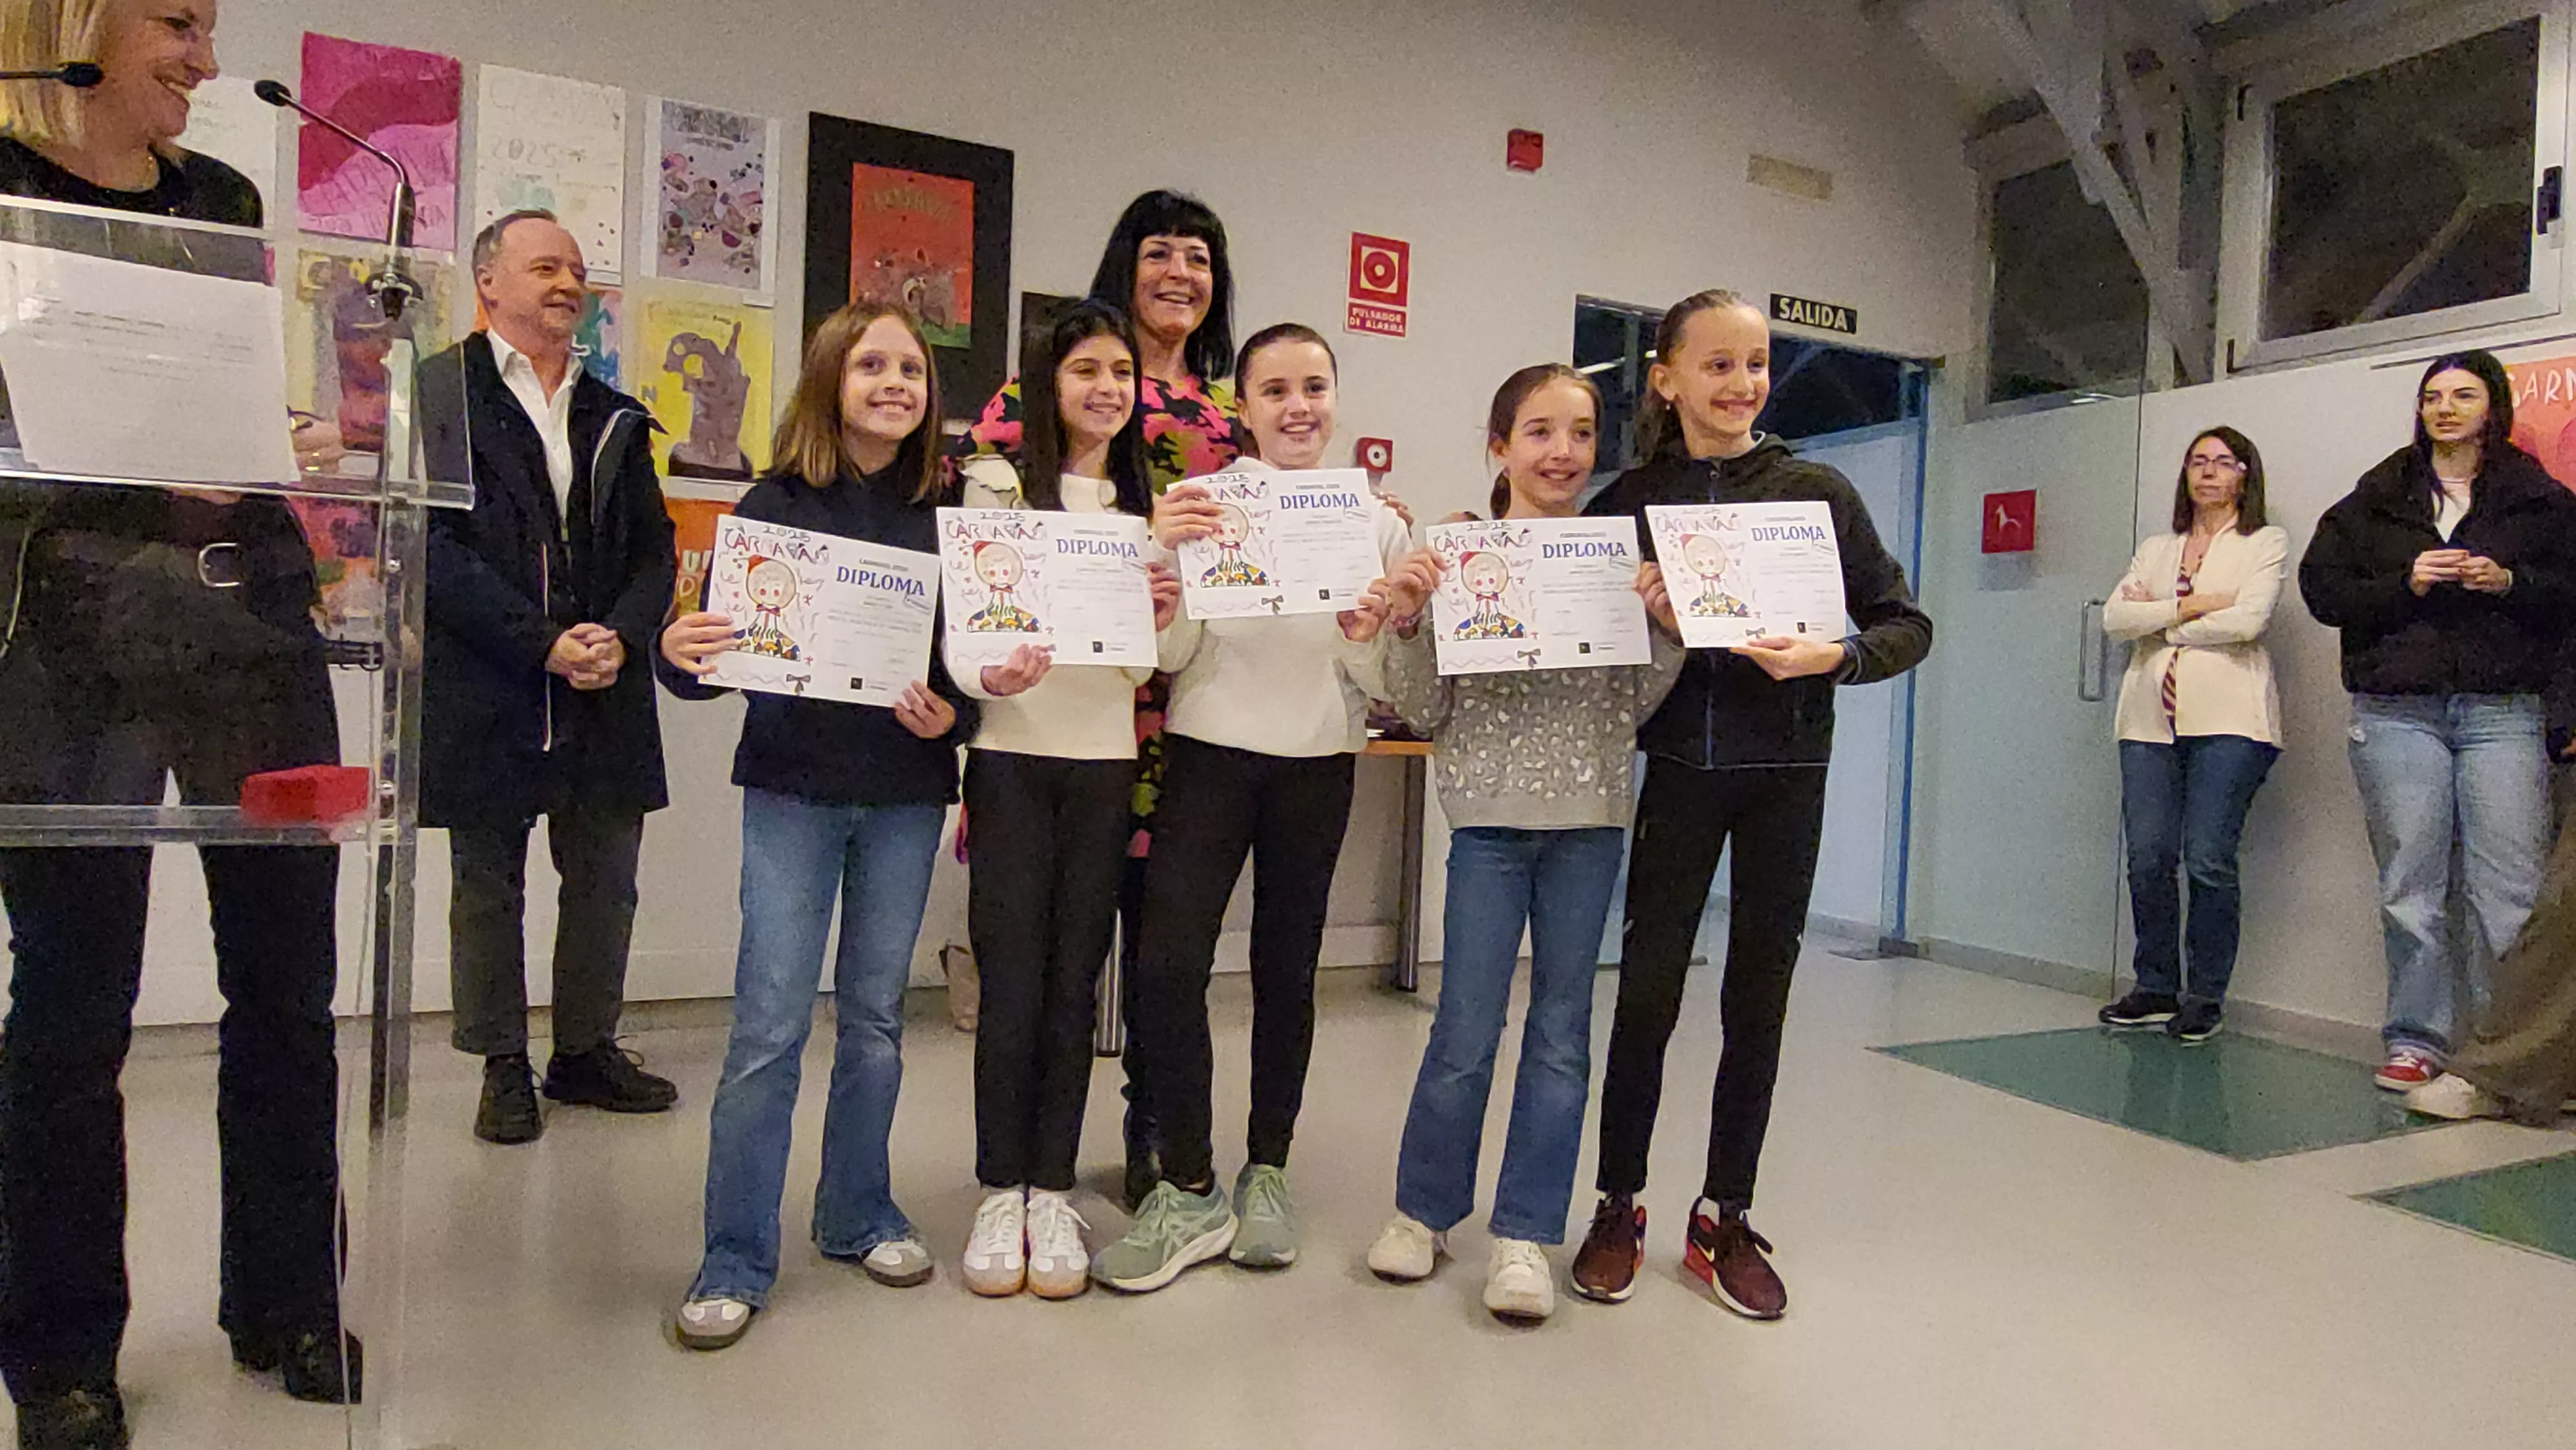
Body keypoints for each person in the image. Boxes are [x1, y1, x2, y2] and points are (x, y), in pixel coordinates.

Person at [0, 3, 358, 1442]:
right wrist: (147, 472)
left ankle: (285, 1296)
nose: (207, 60)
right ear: (73, 22)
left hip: (250, 623)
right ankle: (61, 1351)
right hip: (69, 634)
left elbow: (218, 392)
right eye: (177, 24)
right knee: (74, 1008)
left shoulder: (225, 200)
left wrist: (278, 438)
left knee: (286, 981)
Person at [1567, 290, 1932, 1321]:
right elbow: (1573, 629)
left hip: (1787, 780)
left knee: (1756, 1004)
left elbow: (1906, 621)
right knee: (1644, 998)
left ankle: (1725, 1214)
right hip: (1677, 773)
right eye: (1717, 365)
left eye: (1758, 364)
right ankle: (1618, 1202)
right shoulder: (1632, 498)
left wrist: (1839, 656)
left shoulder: (1816, 491)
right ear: (1669, 377)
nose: (1741, 385)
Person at [659, 303, 978, 1351]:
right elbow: (706, 663)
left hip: (902, 794)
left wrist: (958, 715)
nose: (895, 381)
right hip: (794, 793)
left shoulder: (952, 510)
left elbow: (970, 668)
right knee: (768, 1026)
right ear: (832, 380)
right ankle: (735, 1253)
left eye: (912, 368)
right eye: (873, 364)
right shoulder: (774, 503)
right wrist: (680, 646)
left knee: (879, 1020)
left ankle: (856, 1211)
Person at [1090, 324, 1436, 1292]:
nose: (1298, 406)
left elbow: (1378, 673)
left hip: (1317, 761)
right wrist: (1163, 597)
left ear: (1335, 399)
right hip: (1209, 752)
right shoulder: (1200, 506)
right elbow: (1169, 658)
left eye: (1315, 387)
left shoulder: (1376, 523)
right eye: (1275, 389)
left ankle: (1268, 1172)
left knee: (1289, 973)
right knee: (1165, 966)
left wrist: (1371, 631)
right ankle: (1189, 1184)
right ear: (1239, 406)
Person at [1365, 364, 1685, 1322]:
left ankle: (1524, 1236)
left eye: (1582, 434)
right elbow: (1420, 705)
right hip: (1491, 830)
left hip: (1588, 828)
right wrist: (1414, 615)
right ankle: (1423, 1213)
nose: (1563, 454)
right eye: (1539, 433)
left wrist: (1665, 630)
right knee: (1464, 1030)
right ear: (1498, 448)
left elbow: (1632, 704)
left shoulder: (1613, 560)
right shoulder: (1459, 552)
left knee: (1560, 1037)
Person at [959, 191, 1245, 1207]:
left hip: (1191, 715)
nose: (1180, 273)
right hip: (1052, 721)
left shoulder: (1231, 422)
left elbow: (1263, 554)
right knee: (1045, 956)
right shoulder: (1024, 416)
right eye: (1159, 253)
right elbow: (982, 546)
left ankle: (1149, 1140)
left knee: (1153, 951)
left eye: (1199, 258)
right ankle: (1020, 1176)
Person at [417, 210, 680, 1145]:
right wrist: (540, 642)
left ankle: (584, 1053)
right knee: (488, 884)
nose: (567, 283)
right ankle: (501, 1065)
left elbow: (655, 551)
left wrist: (620, 633)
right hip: (490, 681)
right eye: (544, 267)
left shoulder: (615, 413)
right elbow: (432, 550)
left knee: (605, 878)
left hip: (607, 684)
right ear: (488, 283)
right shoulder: (438, 391)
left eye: (576, 270)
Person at [946, 299, 1184, 1299]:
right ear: (1050, 383)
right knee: (1012, 983)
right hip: (1009, 762)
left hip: (1101, 769)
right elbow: (966, 637)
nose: (1108, 390)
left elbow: (1154, 663)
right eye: (1088, 370)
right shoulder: (994, 490)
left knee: (1077, 986)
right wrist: (989, 679)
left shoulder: (1142, 512)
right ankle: (1000, 1185)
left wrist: (1168, 612)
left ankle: (1054, 1188)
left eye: (1122, 375)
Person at [2300, 350, 2576, 1092]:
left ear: (2494, 406)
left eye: (2462, 394)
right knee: (2410, 884)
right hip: (2397, 712)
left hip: (2502, 711)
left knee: (2510, 891)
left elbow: (2568, 596)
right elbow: (2322, 590)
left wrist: (2507, 581)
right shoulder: (2377, 497)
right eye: (2431, 396)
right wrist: (2407, 580)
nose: (2445, 407)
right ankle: (2416, 1037)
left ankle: (2501, 1053)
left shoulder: (2538, 499)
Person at [2096, 428, 2289, 1043]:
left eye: (2222, 463)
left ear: (2244, 475)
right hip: (2150, 721)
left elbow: (2250, 620)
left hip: (2231, 721)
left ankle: (2205, 996)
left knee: (2208, 857)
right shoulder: (2158, 548)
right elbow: (2115, 620)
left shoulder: (2265, 542)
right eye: (2197, 462)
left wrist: (2163, 625)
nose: (2208, 473)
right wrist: (2190, 607)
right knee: (2149, 856)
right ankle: (2155, 984)